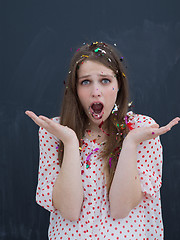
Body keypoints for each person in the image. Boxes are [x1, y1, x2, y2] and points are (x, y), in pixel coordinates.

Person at [25, 42, 180, 240]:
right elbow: (69, 211)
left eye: (105, 81)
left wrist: (130, 144)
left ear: (118, 86)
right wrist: (71, 142)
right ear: (75, 90)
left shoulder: (141, 129)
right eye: (86, 82)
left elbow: (120, 209)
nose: (95, 91)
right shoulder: (54, 132)